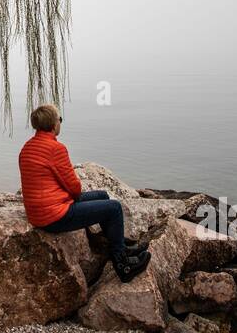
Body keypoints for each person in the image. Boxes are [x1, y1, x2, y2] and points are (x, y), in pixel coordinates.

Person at [17, 103, 151, 282]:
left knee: (102, 195)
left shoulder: (27, 148)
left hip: (38, 212)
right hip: (54, 216)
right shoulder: (56, 149)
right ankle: (123, 264)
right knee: (113, 208)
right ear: (53, 124)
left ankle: (118, 246)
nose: (60, 123)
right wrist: (71, 193)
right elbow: (75, 188)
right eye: (60, 119)